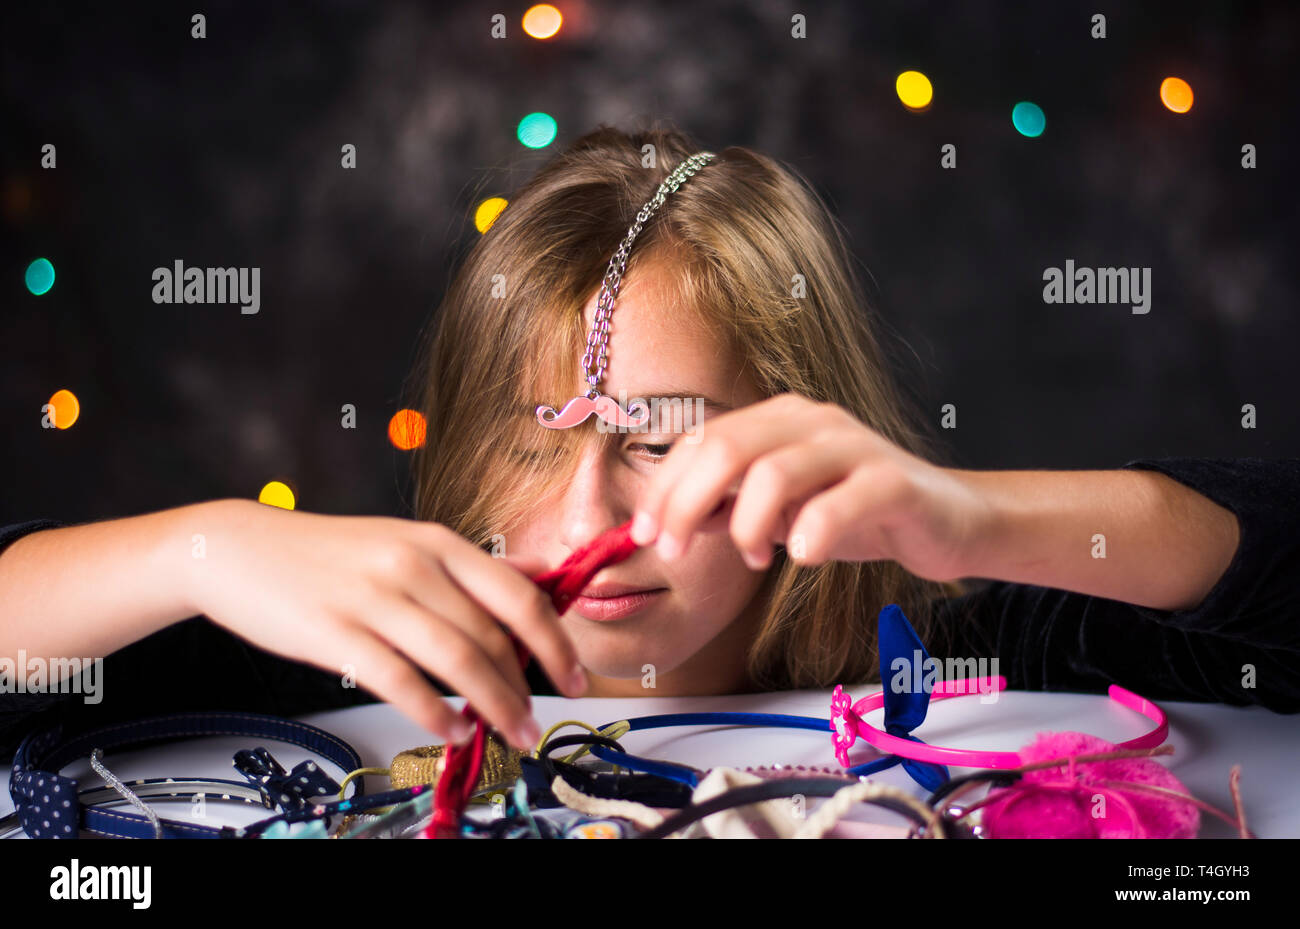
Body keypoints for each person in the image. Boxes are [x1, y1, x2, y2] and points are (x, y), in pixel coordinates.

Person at [2, 125, 1298, 765]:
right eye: (532, 431)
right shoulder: (343, 659)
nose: (588, 502)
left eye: (662, 436)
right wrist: (198, 549)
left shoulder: (961, 653)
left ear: (809, 433)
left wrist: (967, 518)